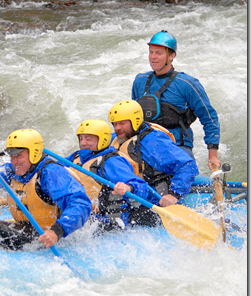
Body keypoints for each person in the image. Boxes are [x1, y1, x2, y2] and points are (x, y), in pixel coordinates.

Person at [0, 128, 93, 251]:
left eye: (18, 156)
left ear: (34, 153)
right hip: (27, 231)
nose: (14, 162)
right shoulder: (11, 170)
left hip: (49, 237)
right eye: (12, 156)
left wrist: (57, 231)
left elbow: (81, 204)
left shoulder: (51, 173)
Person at [131, 30, 221, 170]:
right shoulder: (140, 81)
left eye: (159, 53)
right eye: (151, 52)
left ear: (171, 56)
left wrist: (213, 154)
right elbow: (132, 118)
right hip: (146, 146)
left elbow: (209, 118)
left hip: (177, 147)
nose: (153, 57)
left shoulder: (187, 84)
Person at [66, 119, 159, 229]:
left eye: (88, 139)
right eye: (81, 138)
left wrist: (128, 187)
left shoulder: (111, 163)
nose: (82, 143)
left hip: (109, 223)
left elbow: (142, 187)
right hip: (85, 218)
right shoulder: (77, 157)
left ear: (103, 140)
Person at [108, 99, 199, 208]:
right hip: (129, 196)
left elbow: (187, 165)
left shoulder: (153, 141)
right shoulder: (116, 139)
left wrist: (174, 195)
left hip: (153, 200)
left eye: (122, 123)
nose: (117, 128)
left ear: (135, 121)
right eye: (115, 124)